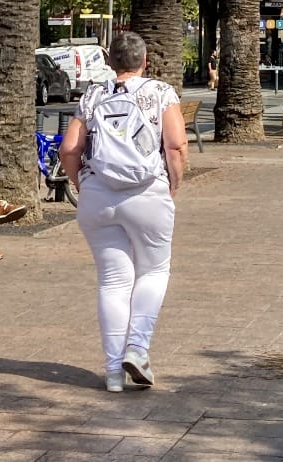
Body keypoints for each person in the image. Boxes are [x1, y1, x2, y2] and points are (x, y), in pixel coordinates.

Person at [61, 30, 189, 393]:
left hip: (98, 196)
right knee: (154, 270)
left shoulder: (93, 94)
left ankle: (113, 372)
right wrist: (174, 184)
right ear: (144, 61)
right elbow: (176, 145)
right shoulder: (160, 92)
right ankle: (138, 347)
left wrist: (83, 184)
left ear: (110, 62)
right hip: (147, 193)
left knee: (113, 280)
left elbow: (70, 149)